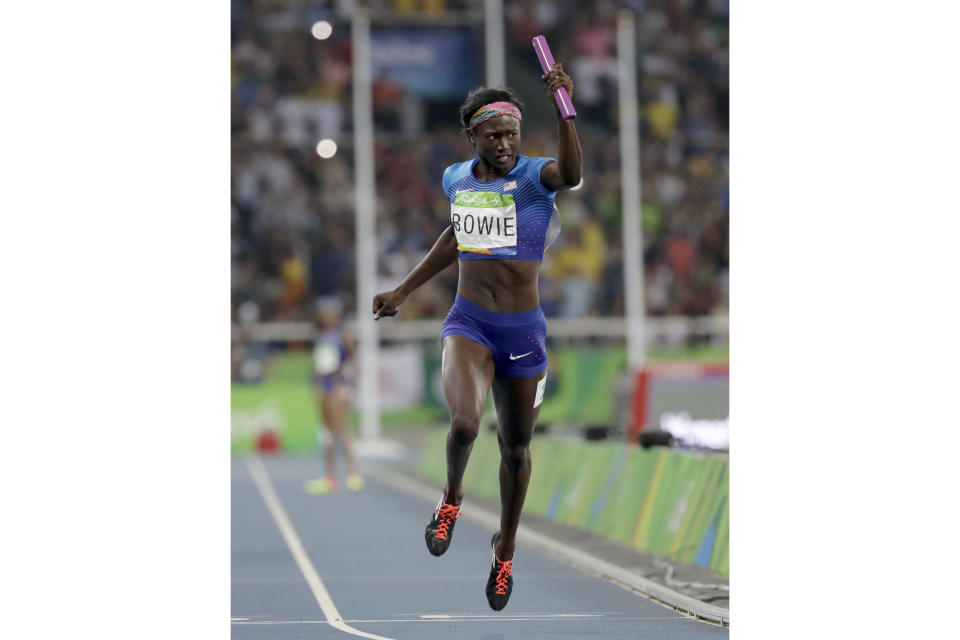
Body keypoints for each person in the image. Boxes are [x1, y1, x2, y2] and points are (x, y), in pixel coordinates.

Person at [372, 63, 581, 610]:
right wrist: (403, 290)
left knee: (515, 449)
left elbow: (574, 175)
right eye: (494, 136)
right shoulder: (456, 179)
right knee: (464, 423)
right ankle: (451, 498)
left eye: (512, 133)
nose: (506, 143)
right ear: (473, 137)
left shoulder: (536, 177)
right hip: (469, 322)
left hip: (523, 332)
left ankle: (505, 549)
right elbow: (457, 237)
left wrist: (565, 109)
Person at [304, 296, 364, 494]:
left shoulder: (342, 335)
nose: (326, 316)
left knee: (342, 428)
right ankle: (329, 477)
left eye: (330, 312)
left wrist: (351, 386)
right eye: (324, 313)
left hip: (338, 385)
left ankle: (353, 473)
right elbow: (318, 364)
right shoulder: (320, 336)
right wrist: (314, 384)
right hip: (323, 385)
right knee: (327, 433)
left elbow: (354, 361)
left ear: (336, 314)